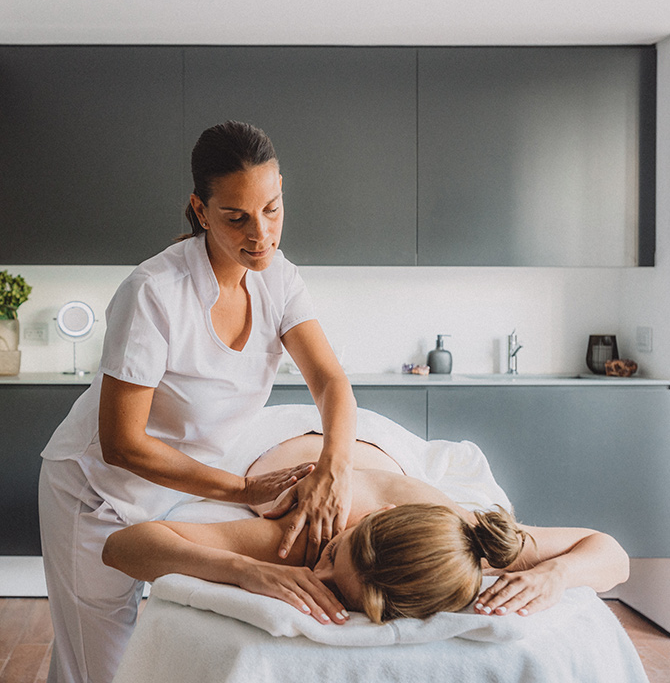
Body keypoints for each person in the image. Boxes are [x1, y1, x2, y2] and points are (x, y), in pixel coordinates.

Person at [38, 122, 356, 683]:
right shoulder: (154, 293)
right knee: (98, 671)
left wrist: (336, 463)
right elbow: (122, 444)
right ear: (200, 211)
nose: (261, 234)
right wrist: (237, 489)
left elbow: (330, 380)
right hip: (96, 495)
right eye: (237, 217)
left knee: (163, 650)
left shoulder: (278, 280)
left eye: (273, 209)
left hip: (182, 495)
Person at [103, 431, 630, 626]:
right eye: (337, 555)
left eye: (333, 581)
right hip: (284, 433)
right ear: (366, 523)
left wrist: (557, 574)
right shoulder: (304, 537)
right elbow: (122, 546)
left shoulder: (468, 540)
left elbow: (611, 555)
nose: (323, 572)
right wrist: (243, 569)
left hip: (389, 451)